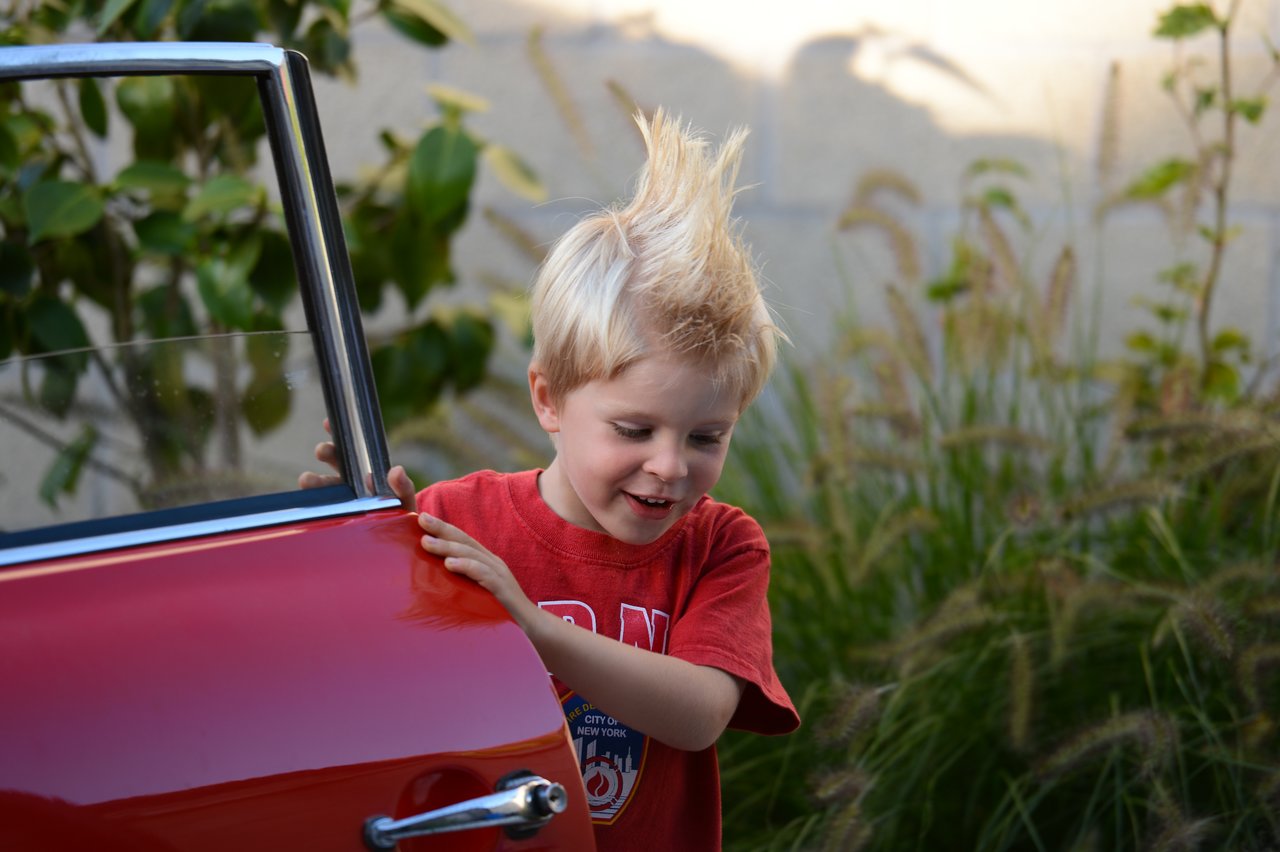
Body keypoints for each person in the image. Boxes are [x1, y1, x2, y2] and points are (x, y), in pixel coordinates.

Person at [302, 108, 799, 850]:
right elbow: (364, 677)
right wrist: (369, 551)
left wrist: (532, 627)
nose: (670, 464)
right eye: (634, 430)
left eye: (707, 436)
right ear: (549, 400)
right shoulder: (457, 520)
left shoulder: (722, 546)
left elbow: (698, 716)